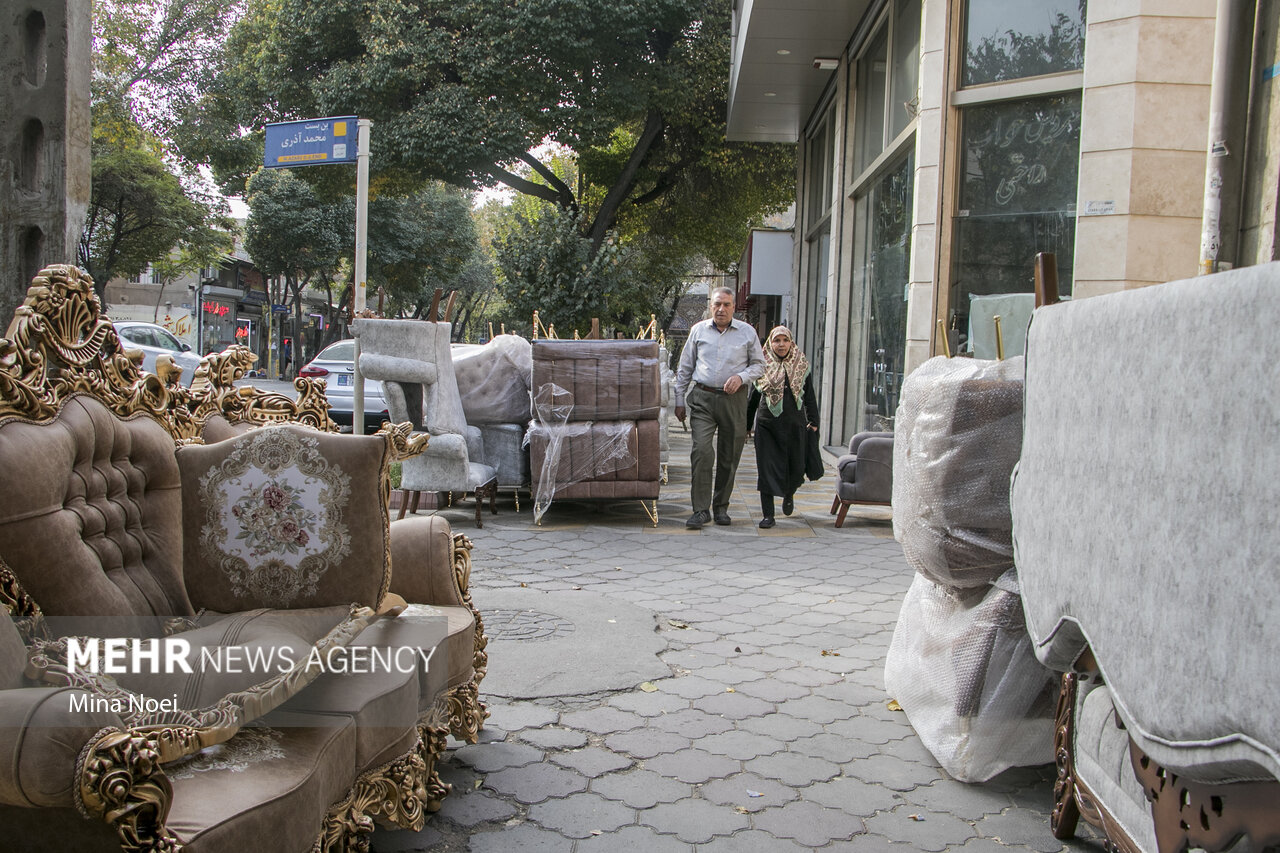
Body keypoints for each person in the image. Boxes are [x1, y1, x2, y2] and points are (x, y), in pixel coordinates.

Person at [674, 287, 766, 529]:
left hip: (733, 400)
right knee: (702, 452)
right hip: (702, 398)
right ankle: (700, 510)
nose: (721, 309)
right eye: (717, 304)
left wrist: (742, 376)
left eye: (726, 304)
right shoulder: (698, 331)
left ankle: (721, 507)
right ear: (710, 305)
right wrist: (678, 399)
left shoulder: (747, 332)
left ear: (734, 307)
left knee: (729, 456)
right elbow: (684, 368)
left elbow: (759, 365)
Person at [746, 326, 820, 528]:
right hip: (767, 426)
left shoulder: (801, 365)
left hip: (795, 425)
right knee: (767, 470)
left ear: (791, 342)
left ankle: (789, 493)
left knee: (795, 469)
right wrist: (746, 425)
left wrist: (814, 422)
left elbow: (809, 396)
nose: (781, 344)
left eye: (784, 340)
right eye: (776, 340)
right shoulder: (762, 365)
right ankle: (768, 515)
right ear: (770, 343)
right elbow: (753, 398)